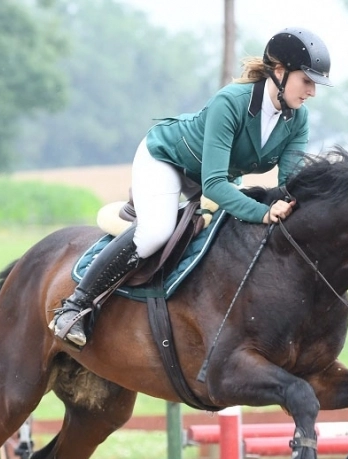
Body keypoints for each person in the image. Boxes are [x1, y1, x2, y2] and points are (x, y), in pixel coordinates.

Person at [52, 26, 332, 347]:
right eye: (307, 81)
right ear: (280, 72)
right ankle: (75, 306)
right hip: (167, 159)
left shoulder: (298, 118)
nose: (312, 92)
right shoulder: (231, 101)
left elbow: (289, 182)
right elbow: (214, 185)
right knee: (156, 230)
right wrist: (263, 212)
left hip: (212, 176)